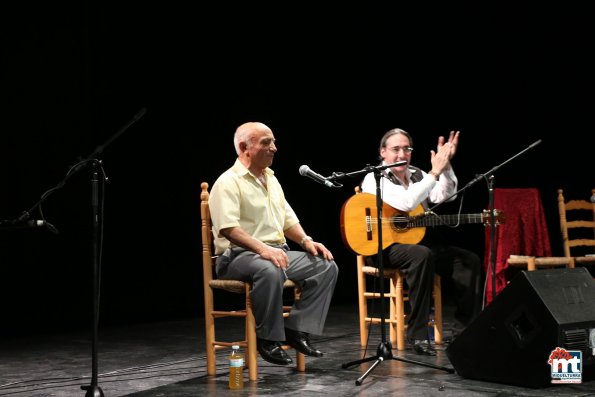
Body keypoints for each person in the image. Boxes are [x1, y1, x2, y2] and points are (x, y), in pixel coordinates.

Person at [208, 121, 339, 366]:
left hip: (276, 254)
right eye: (266, 142)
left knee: (325, 265)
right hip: (237, 256)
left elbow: (287, 219)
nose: (274, 148)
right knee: (270, 268)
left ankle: (297, 330)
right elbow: (228, 228)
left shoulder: (271, 179)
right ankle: (267, 339)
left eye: (274, 142)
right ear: (244, 147)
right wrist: (264, 249)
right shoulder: (228, 182)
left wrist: (306, 240)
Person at [360, 128, 483, 356]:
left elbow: (446, 196)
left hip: (418, 246)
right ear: (383, 152)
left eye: (407, 149)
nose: (402, 154)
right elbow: (407, 202)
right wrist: (434, 173)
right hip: (383, 247)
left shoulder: (417, 174)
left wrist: (445, 168)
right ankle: (417, 335)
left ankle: (465, 330)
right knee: (422, 254)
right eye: (395, 149)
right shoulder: (374, 178)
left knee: (468, 260)